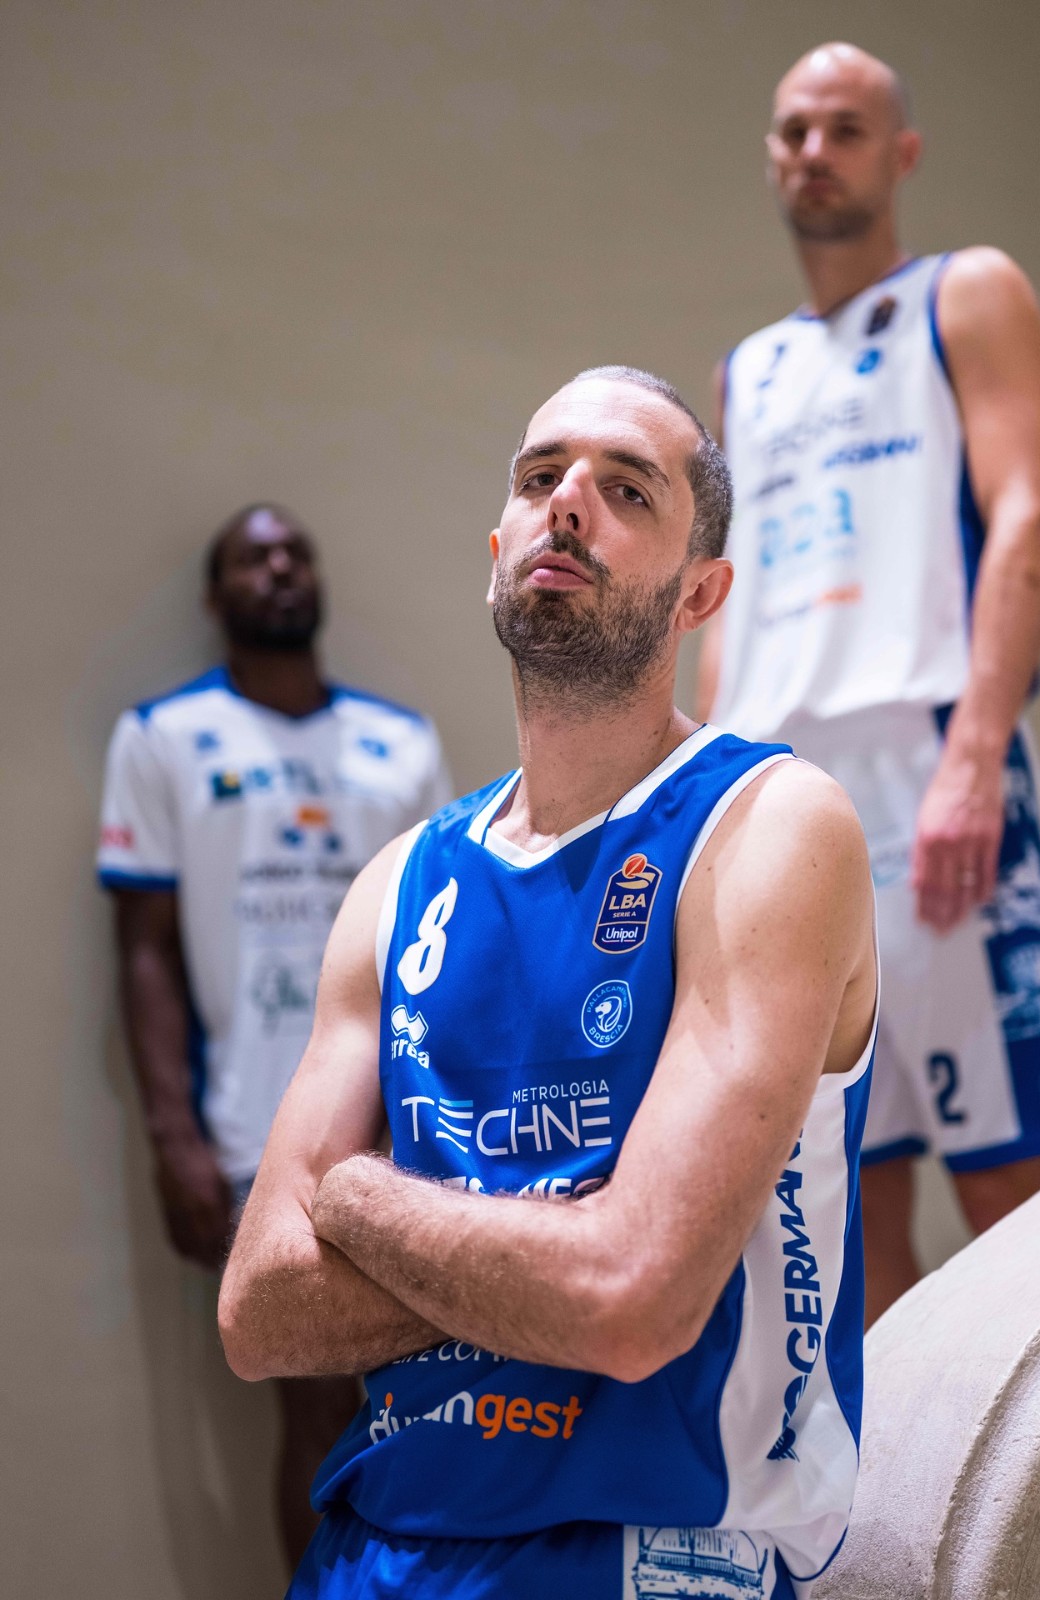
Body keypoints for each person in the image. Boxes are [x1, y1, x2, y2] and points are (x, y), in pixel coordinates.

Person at [219, 369, 878, 1599]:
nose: (569, 501)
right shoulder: (397, 883)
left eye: (628, 489)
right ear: (498, 554)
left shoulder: (771, 824)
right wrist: (557, 1236)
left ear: (701, 593)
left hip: (644, 1551)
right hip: (366, 1550)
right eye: (540, 477)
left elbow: (630, 1299)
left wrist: (357, 1197)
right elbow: (260, 1311)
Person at [698, 42, 1040, 1324]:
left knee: (1018, 1199)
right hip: (786, 804)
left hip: (930, 763)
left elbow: (1028, 518)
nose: (814, 152)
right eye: (792, 130)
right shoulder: (749, 373)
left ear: (902, 153)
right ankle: (922, 1473)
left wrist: (975, 756)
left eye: (845, 129)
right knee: (841, 1216)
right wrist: (706, 804)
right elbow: (730, 601)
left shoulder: (963, 294)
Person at [97, 503, 452, 1568]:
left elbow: (446, 934)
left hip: (405, 1125)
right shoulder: (163, 736)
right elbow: (145, 950)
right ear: (217, 597)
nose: (282, 569)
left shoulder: (401, 742)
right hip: (255, 1128)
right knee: (317, 1402)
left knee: (428, 1401)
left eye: (297, 553)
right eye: (255, 559)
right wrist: (173, 1139)